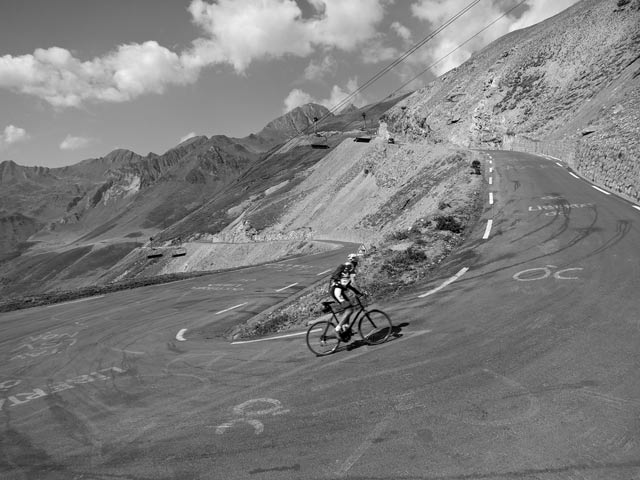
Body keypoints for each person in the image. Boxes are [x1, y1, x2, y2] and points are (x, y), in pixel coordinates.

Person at [329, 254, 362, 339]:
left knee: (349, 307)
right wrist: (360, 292)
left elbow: (347, 284)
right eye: (357, 262)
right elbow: (353, 282)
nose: (357, 263)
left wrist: (357, 292)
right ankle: (337, 329)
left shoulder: (348, 267)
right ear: (355, 261)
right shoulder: (349, 267)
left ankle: (346, 328)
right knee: (349, 310)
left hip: (338, 290)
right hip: (337, 291)